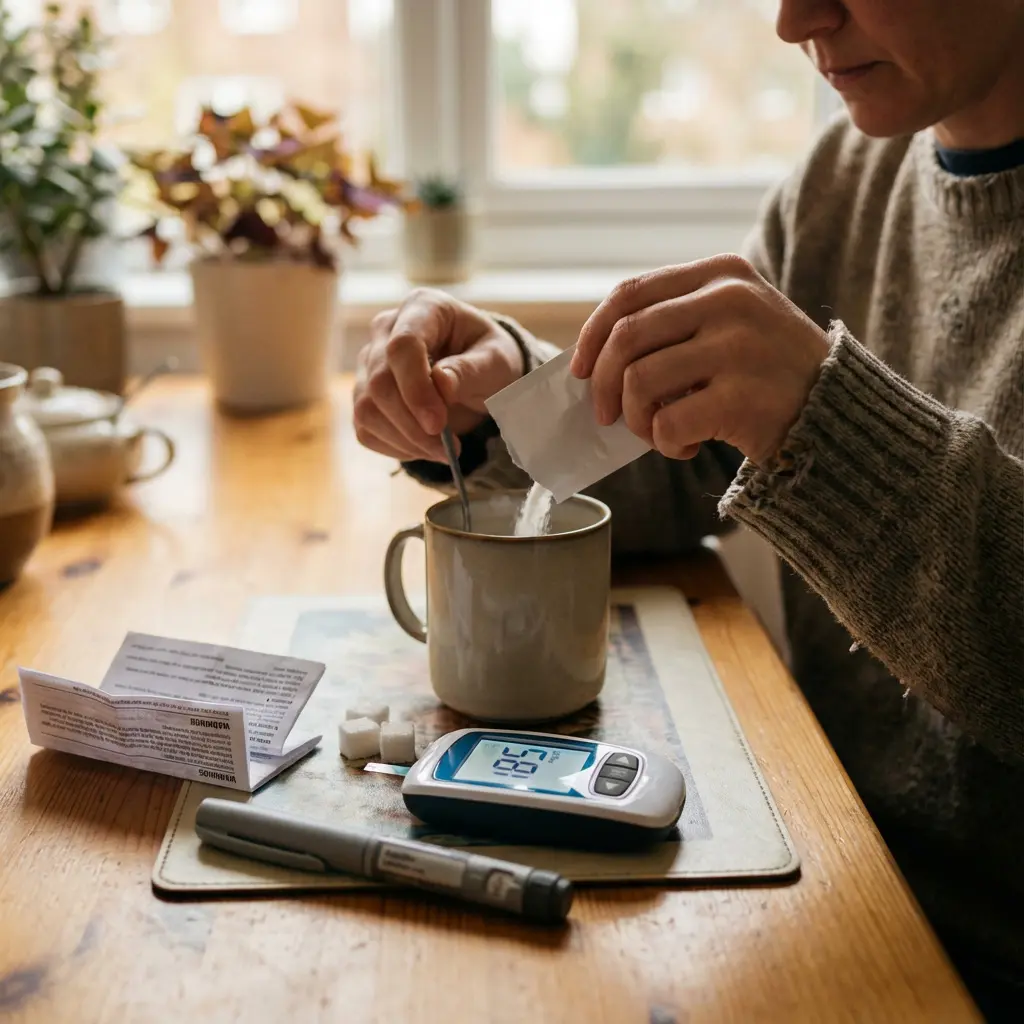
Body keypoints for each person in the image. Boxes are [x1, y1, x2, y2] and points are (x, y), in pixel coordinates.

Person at [352, 1, 1023, 1016]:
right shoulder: (849, 179)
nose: (795, 19)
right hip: (838, 871)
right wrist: (501, 410)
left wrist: (823, 418)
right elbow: (692, 466)